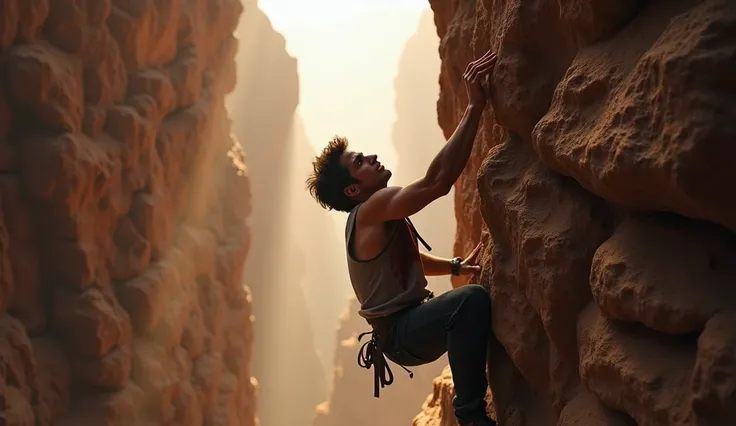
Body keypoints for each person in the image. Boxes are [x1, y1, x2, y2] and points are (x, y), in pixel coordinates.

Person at [305, 50, 499, 426]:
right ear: (351, 192)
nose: (372, 157)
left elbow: (406, 259)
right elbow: (436, 183)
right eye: (360, 162)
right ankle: (471, 416)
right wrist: (474, 107)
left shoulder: (371, 220)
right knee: (470, 302)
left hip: (406, 329)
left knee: (468, 304)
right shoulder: (372, 210)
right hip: (402, 334)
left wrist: (455, 265)